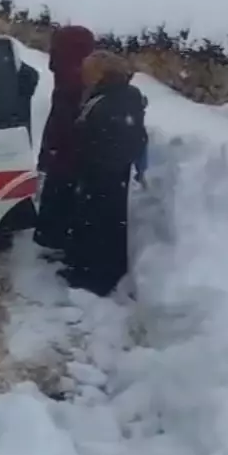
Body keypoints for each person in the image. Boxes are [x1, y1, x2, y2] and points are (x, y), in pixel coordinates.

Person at [61, 50, 148, 295]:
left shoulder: (104, 101)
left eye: (89, 72)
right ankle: (103, 272)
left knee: (94, 225)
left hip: (98, 173)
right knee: (110, 225)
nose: (84, 77)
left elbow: (90, 136)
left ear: (102, 74)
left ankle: (89, 279)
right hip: (116, 174)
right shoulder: (130, 95)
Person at [34, 25, 96, 254]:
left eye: (55, 49)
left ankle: (57, 245)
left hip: (67, 158)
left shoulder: (73, 82)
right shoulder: (71, 77)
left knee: (61, 201)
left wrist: (50, 154)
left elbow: (62, 124)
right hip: (66, 157)